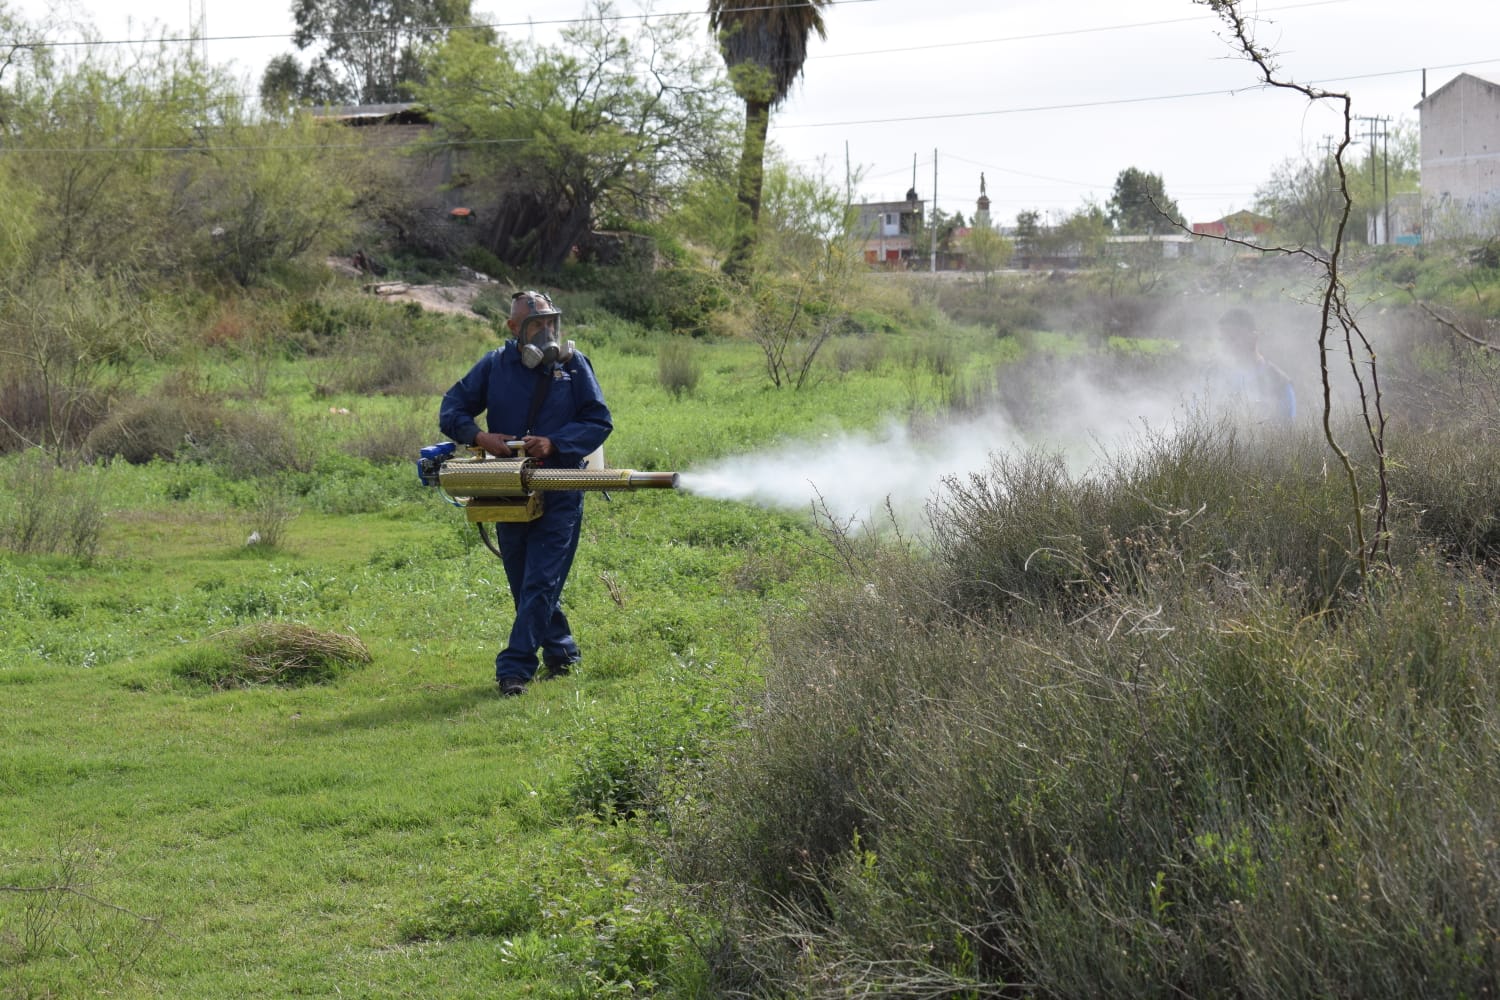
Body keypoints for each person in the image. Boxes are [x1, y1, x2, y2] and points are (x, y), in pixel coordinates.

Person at [439, 290, 613, 697]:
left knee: (540, 580)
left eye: (551, 323)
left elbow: (598, 420)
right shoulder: (495, 365)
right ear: (514, 328)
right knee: (523, 583)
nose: (546, 332)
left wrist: (555, 443)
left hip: (561, 486)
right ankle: (563, 653)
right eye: (536, 325)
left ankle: (514, 669)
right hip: (508, 488)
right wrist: (480, 435)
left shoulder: (574, 366)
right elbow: (452, 408)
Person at [1214, 306, 1296, 424]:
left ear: (1253, 338)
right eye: (1222, 339)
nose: (1226, 345)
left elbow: (1287, 431)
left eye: (1232, 338)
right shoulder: (1211, 376)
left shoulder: (1279, 382)